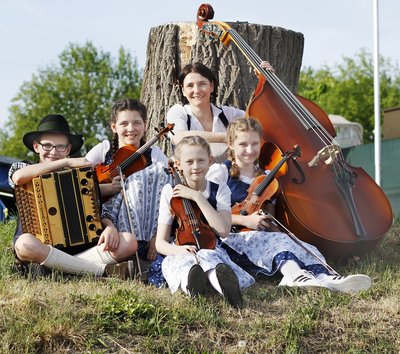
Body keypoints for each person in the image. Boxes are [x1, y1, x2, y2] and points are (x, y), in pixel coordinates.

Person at [207, 117, 372, 293]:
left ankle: (326, 277)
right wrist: (244, 221)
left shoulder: (268, 176)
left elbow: (270, 217)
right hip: (231, 240)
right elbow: (207, 215)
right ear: (231, 144)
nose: (250, 150)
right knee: (276, 242)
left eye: (254, 144)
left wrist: (284, 235)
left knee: (300, 244)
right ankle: (293, 275)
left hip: (261, 236)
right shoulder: (220, 173)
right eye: (243, 144)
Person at [9, 114, 138, 279]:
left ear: (68, 149)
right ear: (36, 147)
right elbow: (18, 178)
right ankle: (101, 271)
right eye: (47, 146)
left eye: (60, 147)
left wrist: (110, 227)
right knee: (24, 244)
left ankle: (59, 268)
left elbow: (98, 207)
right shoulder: (23, 167)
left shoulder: (80, 176)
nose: (53, 152)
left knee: (128, 241)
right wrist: (66, 162)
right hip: (40, 246)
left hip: (79, 249)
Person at [155, 136, 255, 308]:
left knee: (209, 259)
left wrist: (197, 197)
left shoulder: (219, 188)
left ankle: (227, 290)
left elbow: (223, 230)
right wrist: (178, 250)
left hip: (210, 248)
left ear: (210, 161)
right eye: (189, 161)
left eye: (201, 160)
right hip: (180, 250)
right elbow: (160, 243)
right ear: (178, 164)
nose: (195, 166)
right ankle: (193, 288)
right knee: (186, 264)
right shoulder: (169, 191)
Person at [85, 98, 171, 284]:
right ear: (114, 127)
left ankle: (137, 255)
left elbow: (168, 193)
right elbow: (79, 182)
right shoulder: (104, 149)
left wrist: (159, 235)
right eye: (124, 123)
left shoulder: (155, 155)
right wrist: (106, 188)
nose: (130, 129)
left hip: (141, 223)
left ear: (145, 125)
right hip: (102, 218)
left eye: (137, 123)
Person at [166, 62, 273, 164]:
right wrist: (227, 137)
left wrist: (267, 83)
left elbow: (264, 121)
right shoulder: (178, 112)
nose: (197, 90)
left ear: (211, 86)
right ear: (183, 90)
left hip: (229, 181)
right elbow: (179, 138)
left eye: (202, 84)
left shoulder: (228, 114)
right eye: (190, 86)